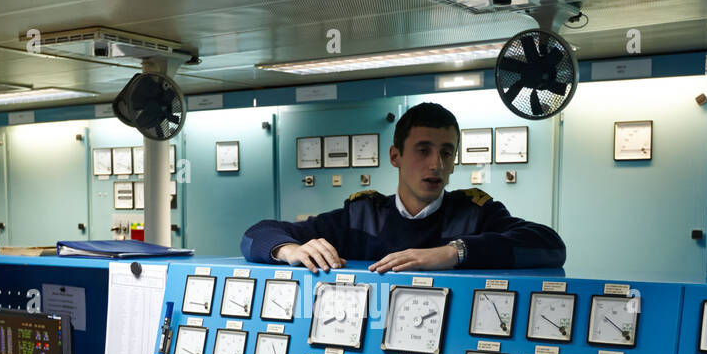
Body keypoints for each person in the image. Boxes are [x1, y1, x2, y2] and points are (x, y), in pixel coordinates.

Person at [240, 102, 566, 273]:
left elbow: (550, 247)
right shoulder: (361, 216)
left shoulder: (475, 215)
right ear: (395, 156)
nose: (435, 163)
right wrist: (290, 250)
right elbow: (255, 234)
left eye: (446, 152)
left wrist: (453, 253)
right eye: (423, 150)